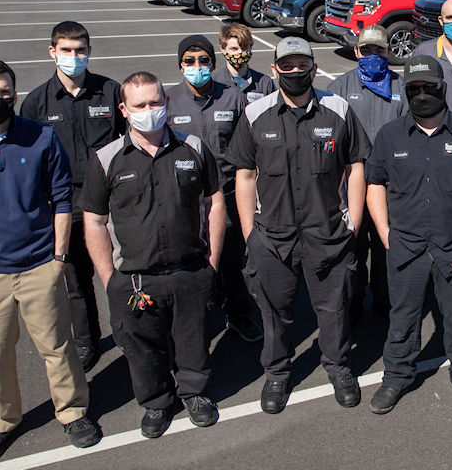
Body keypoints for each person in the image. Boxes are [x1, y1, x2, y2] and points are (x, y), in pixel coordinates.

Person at [0, 59, 101, 464]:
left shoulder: (41, 138)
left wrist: (59, 256)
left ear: (14, 93)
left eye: (5, 91)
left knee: (57, 347)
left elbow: (62, 198)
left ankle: (73, 411)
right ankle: (2, 421)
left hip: (39, 266)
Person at [227, 37, 371, 414]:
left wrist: (353, 222)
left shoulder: (337, 109)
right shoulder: (255, 113)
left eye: (301, 64)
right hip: (272, 237)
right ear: (274, 69)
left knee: (334, 309)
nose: (295, 72)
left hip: (328, 234)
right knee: (276, 312)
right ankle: (277, 373)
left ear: (313, 66)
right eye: (286, 66)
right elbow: (244, 174)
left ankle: (339, 368)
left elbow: (357, 165)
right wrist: (248, 234)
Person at [82, 71, 226, 438]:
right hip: (134, 278)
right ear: (124, 110)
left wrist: (211, 263)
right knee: (143, 349)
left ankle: (194, 393)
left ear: (166, 103)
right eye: (140, 105)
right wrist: (108, 277)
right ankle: (157, 402)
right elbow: (95, 222)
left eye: (156, 103)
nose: (150, 111)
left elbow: (214, 202)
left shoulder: (192, 148)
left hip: (190, 271)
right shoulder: (107, 159)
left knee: (194, 339)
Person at [365, 55, 452, 417]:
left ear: (443, 87)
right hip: (405, 247)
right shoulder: (389, 135)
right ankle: (395, 378)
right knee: (403, 319)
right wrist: (385, 233)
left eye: (429, 87)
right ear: (405, 91)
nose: (422, 94)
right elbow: (374, 183)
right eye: (414, 89)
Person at [20, 21, 125, 373]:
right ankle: (87, 341)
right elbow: (30, 163)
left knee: (120, 271)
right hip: (66, 206)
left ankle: (128, 331)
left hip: (112, 202)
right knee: (77, 282)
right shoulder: (36, 103)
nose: (73, 57)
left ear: (89, 52)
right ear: (52, 52)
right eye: (66, 50)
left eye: (80, 50)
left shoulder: (110, 92)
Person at [166, 34, 264, 343]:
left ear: (213, 62)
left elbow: (246, 146)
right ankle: (200, 318)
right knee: (193, 260)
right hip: (187, 197)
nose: (197, 66)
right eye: (190, 61)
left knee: (233, 259)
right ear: (181, 66)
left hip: (228, 192)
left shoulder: (232, 96)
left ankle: (239, 313)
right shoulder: (168, 101)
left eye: (204, 61)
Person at [326, 24, 406, 319]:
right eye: (367, 49)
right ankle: (354, 300)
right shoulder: (339, 88)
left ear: (389, 51)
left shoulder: (402, 87)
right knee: (354, 245)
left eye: (379, 49)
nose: (373, 54)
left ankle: (385, 300)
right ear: (357, 51)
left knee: (387, 243)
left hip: (391, 187)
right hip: (351, 188)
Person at [213, 22, 275, 104]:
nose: (240, 53)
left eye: (244, 48)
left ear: (251, 47)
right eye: (234, 49)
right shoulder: (213, 82)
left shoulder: (264, 83)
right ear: (223, 49)